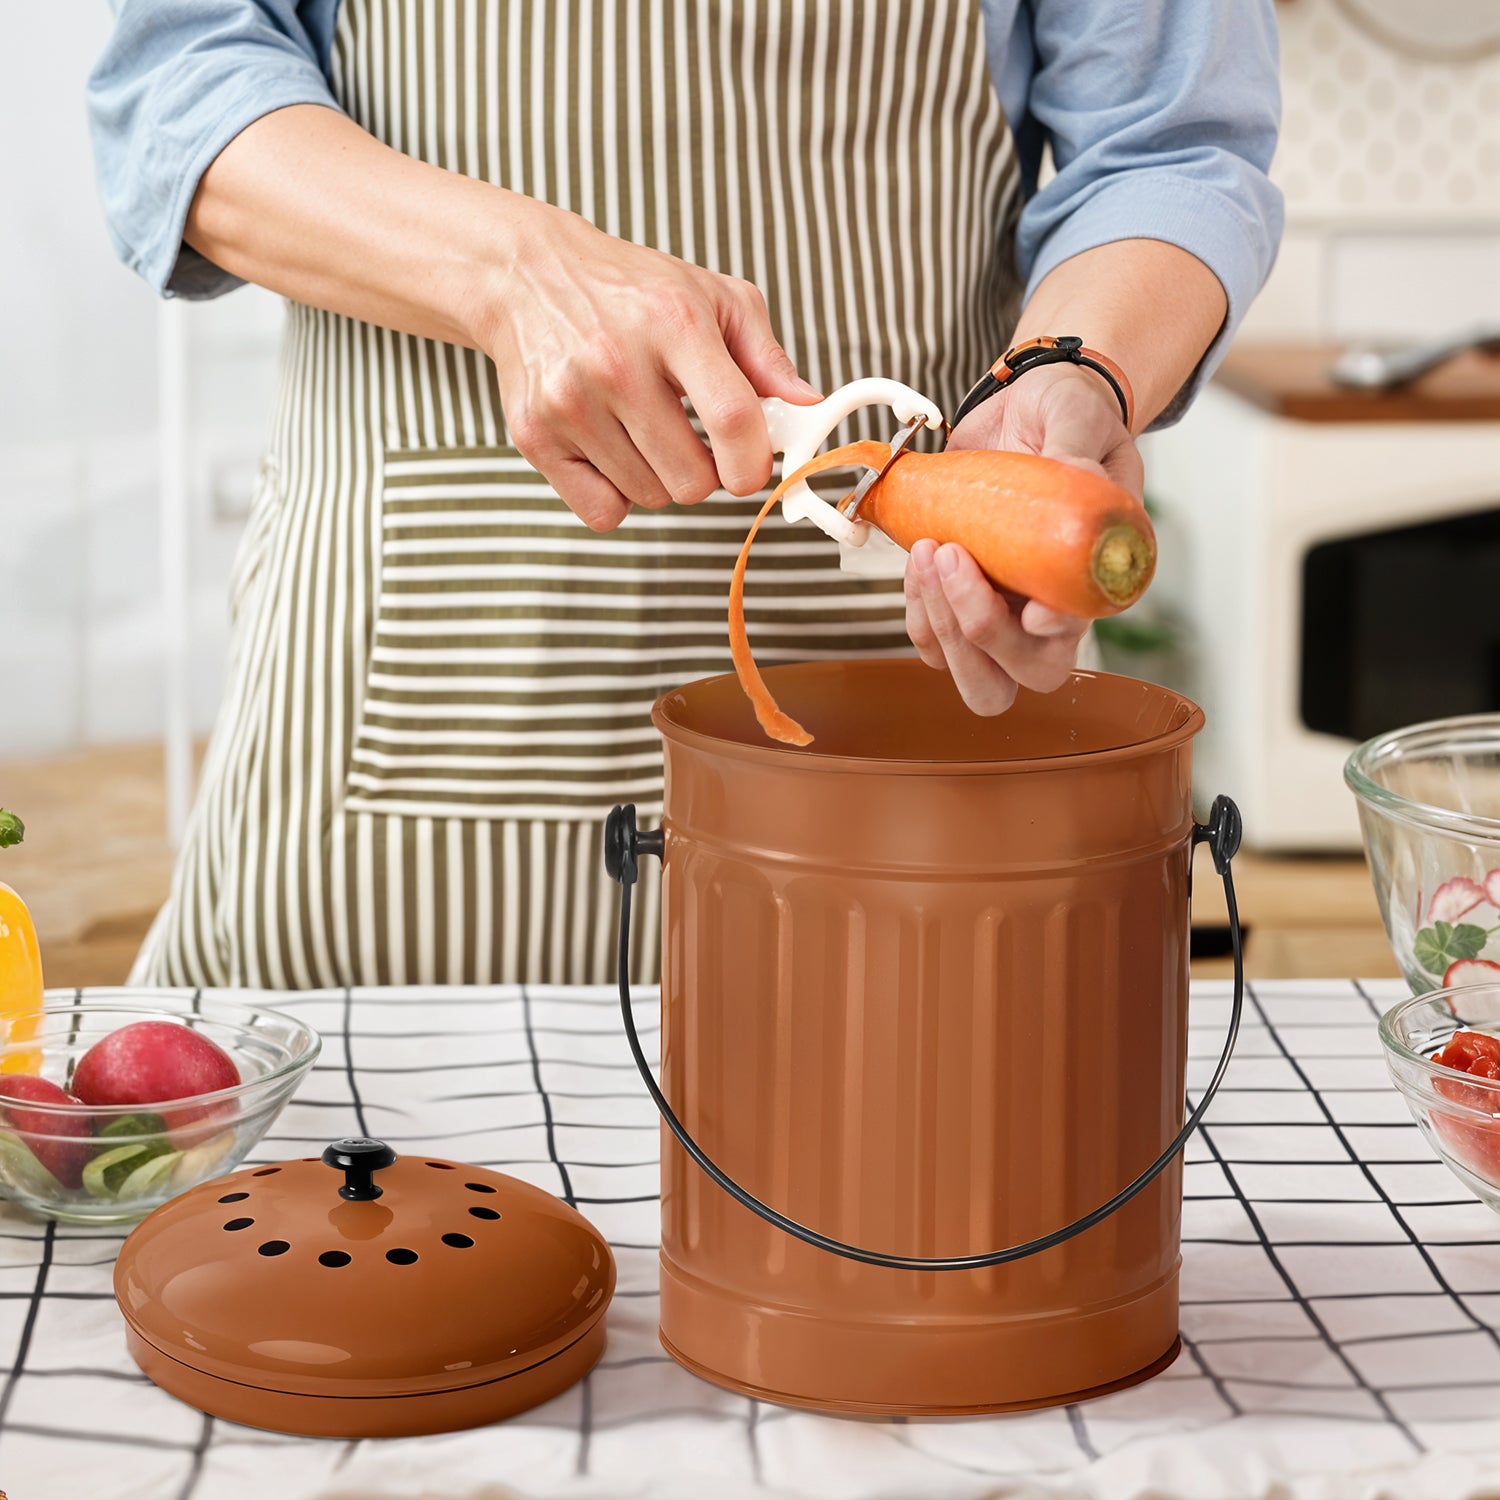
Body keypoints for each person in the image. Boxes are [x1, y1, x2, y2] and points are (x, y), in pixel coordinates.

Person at [88, 1, 1282, 989]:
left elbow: (1170, 148)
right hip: (403, 712)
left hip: (911, 674)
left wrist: (1073, 367)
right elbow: (176, 83)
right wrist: (514, 274)